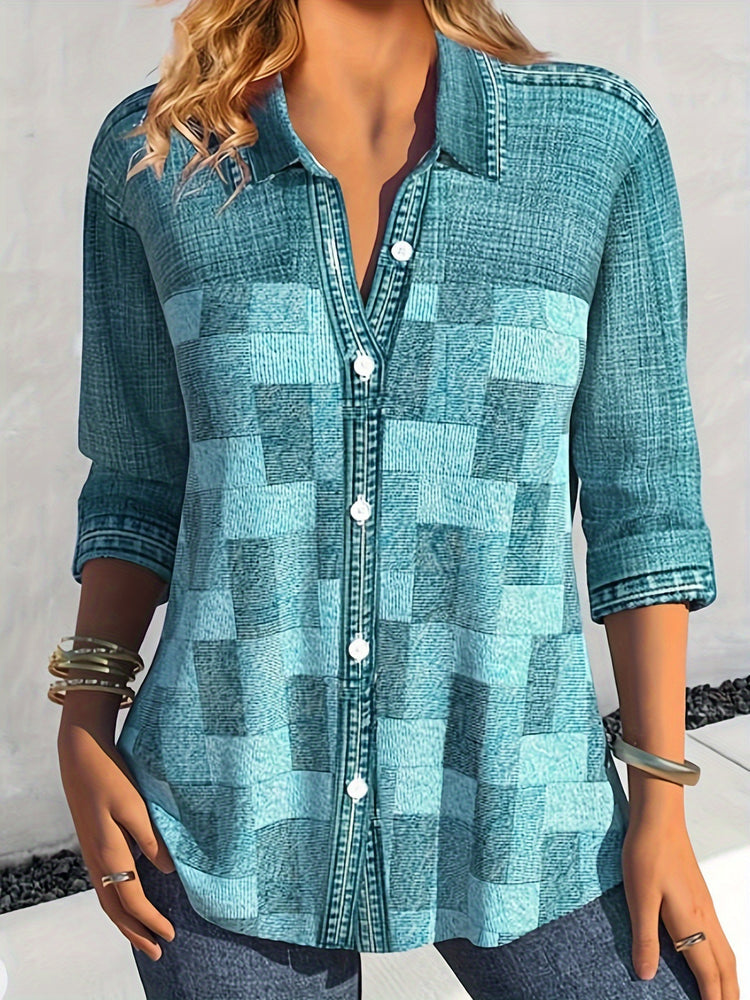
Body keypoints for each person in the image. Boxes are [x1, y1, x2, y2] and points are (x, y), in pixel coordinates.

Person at [51, 0, 740, 998]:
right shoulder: (157, 157)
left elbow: (645, 501)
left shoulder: (594, 142)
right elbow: (137, 478)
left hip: (523, 802)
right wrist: (83, 720)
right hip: (224, 808)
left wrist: (661, 804)